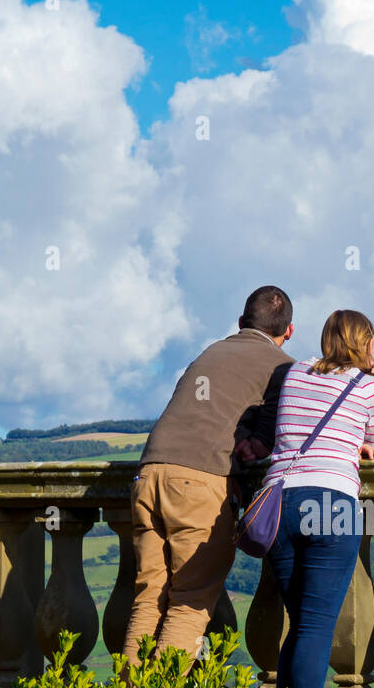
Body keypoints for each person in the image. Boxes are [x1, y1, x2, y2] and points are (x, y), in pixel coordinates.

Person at [122, 285, 294, 665]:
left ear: (240, 323)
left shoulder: (210, 353)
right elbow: (260, 446)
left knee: (149, 598)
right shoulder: (282, 368)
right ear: (289, 331)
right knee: (189, 603)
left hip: (148, 474)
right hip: (201, 482)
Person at [263, 309, 374, 688]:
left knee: (299, 625)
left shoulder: (294, 374)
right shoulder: (372, 387)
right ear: (367, 344)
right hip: (330, 502)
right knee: (315, 627)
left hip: (279, 501)